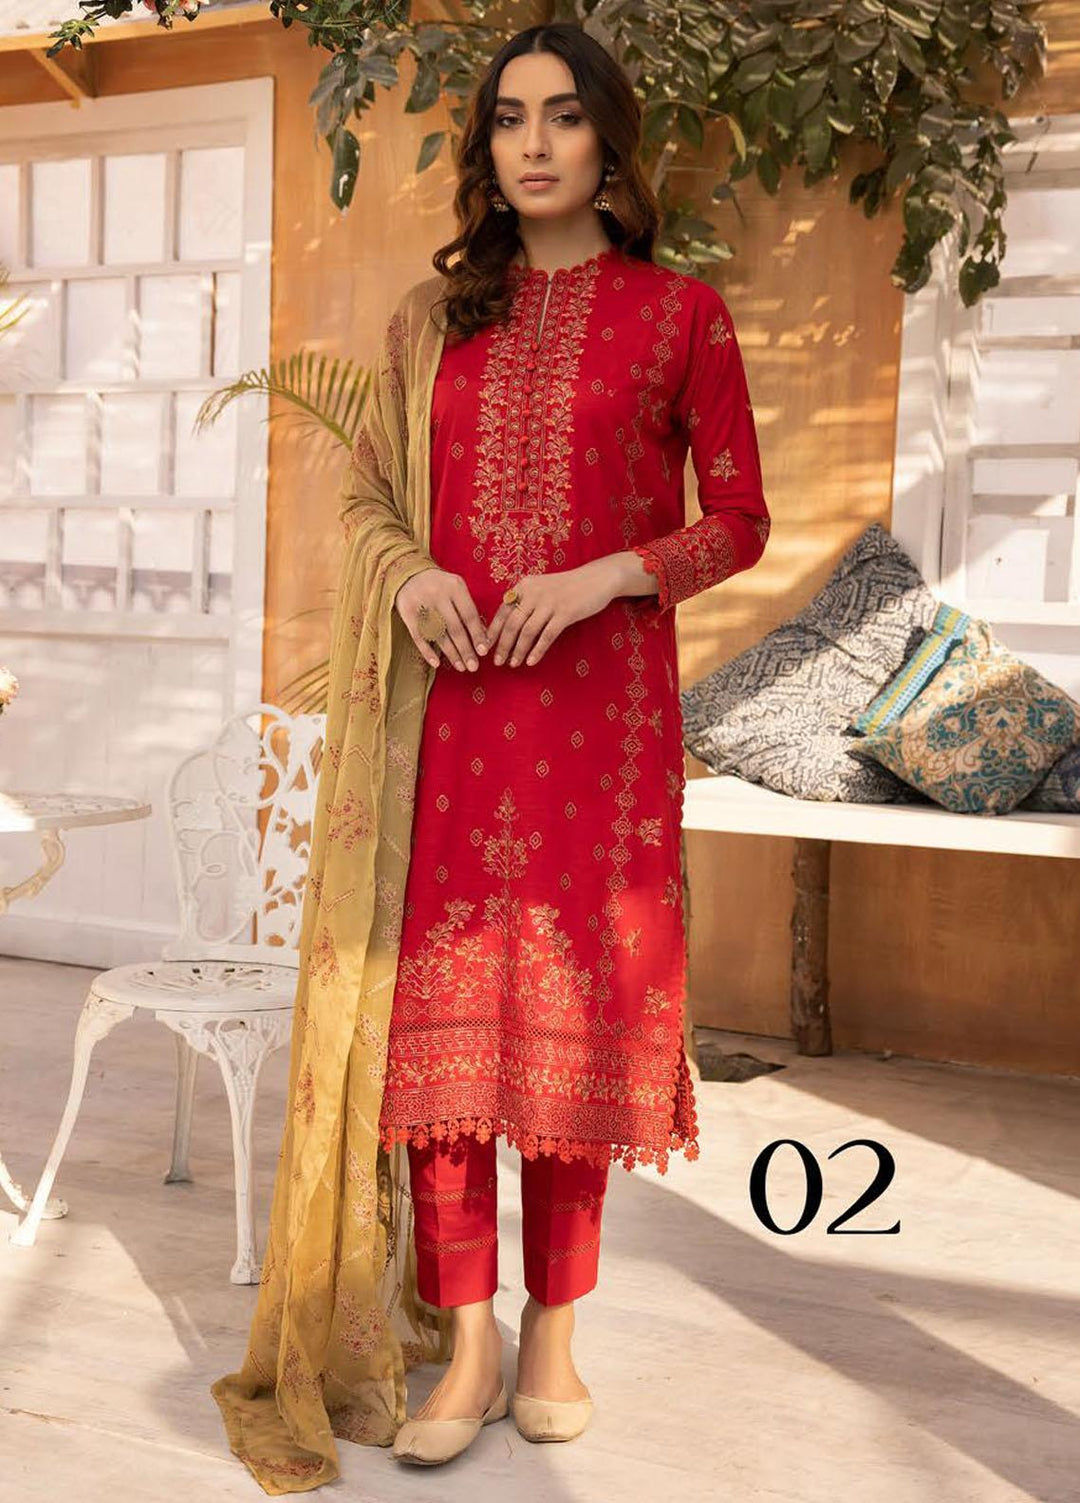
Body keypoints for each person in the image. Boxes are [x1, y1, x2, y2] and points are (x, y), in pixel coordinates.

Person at [211, 19, 770, 1493]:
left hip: (604, 726)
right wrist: (407, 575)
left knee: (572, 1030)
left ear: (609, 139)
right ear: (486, 147)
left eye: (563, 116)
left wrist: (605, 577)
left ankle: (553, 1336)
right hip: (450, 720)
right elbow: (370, 499)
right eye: (510, 119)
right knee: (445, 1037)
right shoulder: (432, 322)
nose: (534, 143)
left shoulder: (682, 316)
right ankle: (465, 1344)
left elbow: (739, 522)